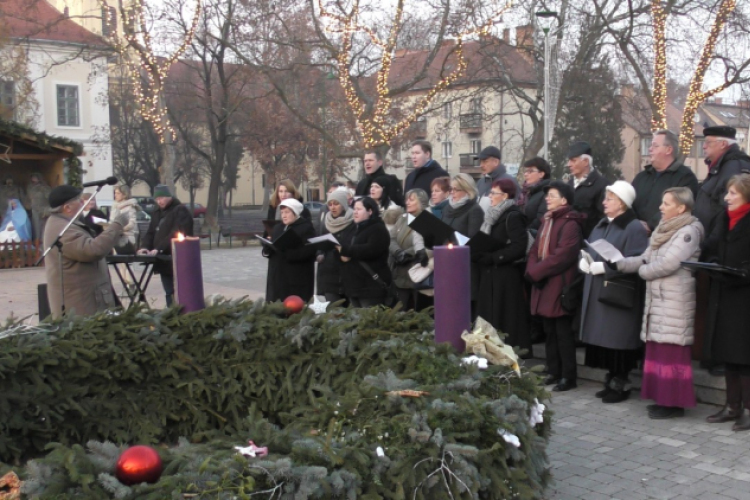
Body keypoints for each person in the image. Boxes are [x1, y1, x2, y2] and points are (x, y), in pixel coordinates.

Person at [617, 187, 703, 419]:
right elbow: (646, 257)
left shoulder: (689, 231)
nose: (660, 207)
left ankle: (675, 403)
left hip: (675, 299)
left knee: (672, 351)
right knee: (658, 350)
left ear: (681, 207)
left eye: (666, 203)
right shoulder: (663, 230)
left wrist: (642, 272)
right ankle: (663, 398)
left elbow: (669, 263)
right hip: (659, 299)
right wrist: (618, 263)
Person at [579, 181, 650, 403]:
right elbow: (589, 247)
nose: (604, 202)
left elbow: (636, 260)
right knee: (605, 339)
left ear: (622, 203)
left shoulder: (633, 227)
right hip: (598, 287)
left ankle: (621, 382)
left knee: (618, 340)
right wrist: (584, 262)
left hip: (619, 291)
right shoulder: (601, 224)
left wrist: (607, 268)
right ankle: (611, 378)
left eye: (609, 199)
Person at [525, 181, 585, 392]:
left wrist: (536, 271)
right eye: (547, 195)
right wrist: (533, 269)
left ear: (564, 200)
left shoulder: (570, 224)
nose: (547, 199)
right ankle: (553, 371)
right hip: (544, 282)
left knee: (562, 332)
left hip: (560, 283)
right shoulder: (547, 221)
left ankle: (568, 376)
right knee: (549, 330)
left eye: (552, 195)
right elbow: (534, 249)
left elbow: (563, 256)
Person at [702, 174, 750, 431]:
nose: (726, 198)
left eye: (733, 193)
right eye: (727, 193)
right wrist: (710, 262)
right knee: (729, 353)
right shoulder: (723, 218)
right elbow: (711, 246)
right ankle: (732, 406)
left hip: (745, 296)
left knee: (745, 356)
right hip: (724, 292)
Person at [43, 185, 128, 318]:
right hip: (79, 304)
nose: (83, 203)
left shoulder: (65, 223)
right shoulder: (62, 228)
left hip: (87, 299)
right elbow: (92, 250)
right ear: (67, 207)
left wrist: (114, 236)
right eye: (79, 200)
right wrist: (117, 226)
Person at [475, 179, 530, 353]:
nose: (490, 196)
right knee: (489, 315)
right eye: (490, 192)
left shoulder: (513, 216)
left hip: (505, 276)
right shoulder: (491, 215)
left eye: (494, 193)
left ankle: (508, 352)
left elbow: (519, 246)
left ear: (505, 196)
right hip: (489, 274)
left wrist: (494, 257)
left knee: (505, 316)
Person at [631, 130, 698, 232]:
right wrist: (634, 224)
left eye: (655, 146)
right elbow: (628, 204)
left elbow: (680, 209)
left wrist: (650, 225)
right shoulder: (642, 177)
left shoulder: (685, 178)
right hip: (635, 235)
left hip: (666, 238)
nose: (650, 149)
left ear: (668, 150)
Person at [138, 184, 194, 306]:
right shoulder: (156, 212)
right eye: (157, 199)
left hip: (177, 257)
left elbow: (177, 232)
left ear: (169, 196)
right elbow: (150, 232)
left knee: (181, 290)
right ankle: (171, 312)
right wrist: (144, 247)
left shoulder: (179, 210)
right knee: (169, 291)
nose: (160, 201)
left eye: (162, 198)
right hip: (162, 260)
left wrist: (159, 248)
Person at [694, 126, 750, 234]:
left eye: (708, 142)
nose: (704, 146)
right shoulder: (720, 166)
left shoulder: (735, 167)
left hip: (719, 243)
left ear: (723, 144)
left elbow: (730, 210)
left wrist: (713, 241)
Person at [338, 197, 392, 307]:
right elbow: (344, 245)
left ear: (370, 211)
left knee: (370, 321)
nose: (355, 212)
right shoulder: (354, 228)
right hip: (354, 286)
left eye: (359, 209)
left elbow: (371, 249)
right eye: (354, 209)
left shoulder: (378, 229)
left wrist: (346, 251)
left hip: (370, 287)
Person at [263, 198, 317, 303]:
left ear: (295, 213)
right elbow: (273, 246)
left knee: (293, 305)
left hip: (296, 277)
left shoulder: (306, 228)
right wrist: (267, 247)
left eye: (287, 212)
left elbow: (309, 251)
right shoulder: (278, 227)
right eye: (282, 212)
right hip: (278, 276)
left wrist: (288, 254)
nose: (284, 215)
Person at [389, 188, 430, 309]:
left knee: (419, 311)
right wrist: (398, 252)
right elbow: (391, 238)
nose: (407, 202)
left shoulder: (427, 220)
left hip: (418, 273)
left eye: (411, 200)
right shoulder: (402, 218)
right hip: (400, 274)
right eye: (406, 199)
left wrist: (407, 253)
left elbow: (425, 243)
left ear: (421, 202)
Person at [316, 189, 356, 304]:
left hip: (348, 274)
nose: (333, 207)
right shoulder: (326, 222)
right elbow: (321, 242)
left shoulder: (353, 222)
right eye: (330, 204)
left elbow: (353, 246)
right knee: (333, 313)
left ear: (343, 204)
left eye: (336, 204)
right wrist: (319, 253)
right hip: (329, 275)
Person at [566, 141, 609, 238]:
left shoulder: (602, 185)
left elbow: (605, 219)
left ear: (585, 162)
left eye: (573, 160)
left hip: (591, 242)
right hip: (569, 241)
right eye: (569, 160)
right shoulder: (568, 185)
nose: (569, 164)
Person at [517, 157, 551, 236]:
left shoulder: (547, 192)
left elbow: (541, 219)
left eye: (530, 171)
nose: (526, 174)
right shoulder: (525, 192)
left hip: (534, 237)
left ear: (541, 174)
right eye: (525, 171)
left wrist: (524, 232)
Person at [111, 184, 140, 254]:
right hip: (115, 237)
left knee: (125, 262)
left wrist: (119, 229)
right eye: (115, 193)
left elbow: (131, 223)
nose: (115, 195)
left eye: (118, 193)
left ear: (124, 194)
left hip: (127, 238)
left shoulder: (130, 207)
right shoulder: (115, 206)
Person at [27, 173, 51, 241]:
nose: (34, 179)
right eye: (33, 177)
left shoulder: (44, 187)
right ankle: (36, 242)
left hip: (43, 210)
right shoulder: (30, 187)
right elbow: (28, 198)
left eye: (35, 177)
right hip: (34, 210)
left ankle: (43, 242)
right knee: (35, 227)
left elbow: (49, 197)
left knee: (43, 227)